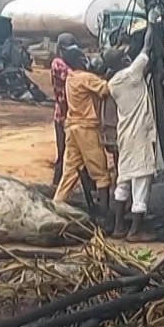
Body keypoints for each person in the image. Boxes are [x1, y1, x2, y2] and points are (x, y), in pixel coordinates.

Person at [103, 21, 161, 241]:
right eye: (124, 57)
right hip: (139, 137)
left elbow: (124, 61)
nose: (128, 57)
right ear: (122, 62)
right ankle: (135, 231)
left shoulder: (113, 83)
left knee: (123, 181)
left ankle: (119, 227)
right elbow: (146, 48)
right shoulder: (131, 75)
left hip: (125, 136)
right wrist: (152, 25)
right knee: (142, 182)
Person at [52, 46, 113, 220]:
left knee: (70, 172)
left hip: (72, 128)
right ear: (80, 60)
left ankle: (56, 204)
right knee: (101, 174)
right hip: (87, 129)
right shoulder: (86, 78)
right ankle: (104, 216)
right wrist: (110, 74)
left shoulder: (70, 78)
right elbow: (106, 89)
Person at [50, 32, 77, 185]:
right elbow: (72, 77)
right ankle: (56, 184)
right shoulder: (57, 63)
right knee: (62, 152)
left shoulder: (69, 63)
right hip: (62, 115)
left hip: (74, 117)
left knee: (81, 155)